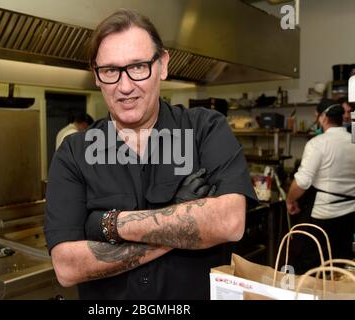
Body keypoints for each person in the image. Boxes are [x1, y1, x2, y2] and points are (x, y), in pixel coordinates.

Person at [44, 9, 256, 299]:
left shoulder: (205, 129)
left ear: (163, 65)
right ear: (96, 75)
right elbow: (67, 267)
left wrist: (110, 224)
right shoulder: (73, 153)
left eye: (139, 66)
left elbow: (229, 223)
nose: (125, 86)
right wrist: (183, 222)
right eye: (110, 71)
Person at [286, 99, 355, 274]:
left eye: (317, 116)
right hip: (349, 214)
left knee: (308, 267)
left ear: (323, 117)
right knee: (339, 265)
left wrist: (290, 199)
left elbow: (302, 182)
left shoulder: (318, 143)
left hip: (322, 216)